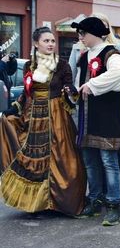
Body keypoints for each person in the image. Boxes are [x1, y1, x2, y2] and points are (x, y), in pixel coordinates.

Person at [0, 27, 86, 216]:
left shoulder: (62, 65)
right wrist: (13, 109)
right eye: (46, 41)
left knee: (61, 159)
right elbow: (26, 92)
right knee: (35, 161)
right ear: (36, 43)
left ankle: (59, 203)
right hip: (35, 117)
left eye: (52, 41)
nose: (50, 44)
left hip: (56, 116)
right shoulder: (30, 65)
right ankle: (37, 204)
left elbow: (69, 86)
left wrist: (69, 91)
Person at [73, 17, 120, 225]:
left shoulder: (111, 54)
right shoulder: (84, 56)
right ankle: (95, 199)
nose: (80, 37)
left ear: (95, 34)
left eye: (83, 34)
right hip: (88, 117)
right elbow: (78, 81)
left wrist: (93, 84)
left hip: (106, 118)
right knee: (90, 161)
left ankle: (114, 205)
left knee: (108, 161)